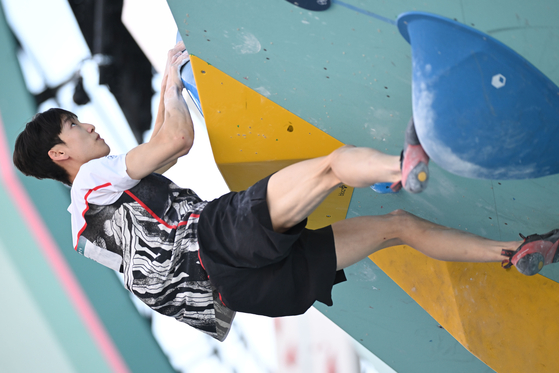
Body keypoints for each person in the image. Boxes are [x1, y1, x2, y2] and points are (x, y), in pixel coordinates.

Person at [12, 42, 559, 341]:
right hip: (219, 243)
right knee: (328, 169)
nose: (92, 129)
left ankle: (516, 253)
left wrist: (169, 86)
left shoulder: (88, 227)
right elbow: (176, 138)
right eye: (78, 128)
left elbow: (167, 145)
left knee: (398, 228)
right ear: (62, 155)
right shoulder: (92, 178)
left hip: (248, 295)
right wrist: (169, 80)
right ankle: (404, 164)